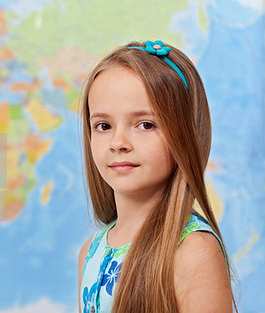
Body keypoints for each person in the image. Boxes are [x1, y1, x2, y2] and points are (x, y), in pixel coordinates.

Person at [77, 40, 237, 313]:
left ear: (183, 135)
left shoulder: (192, 251)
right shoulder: (90, 251)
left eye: (145, 124)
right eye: (103, 125)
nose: (118, 142)